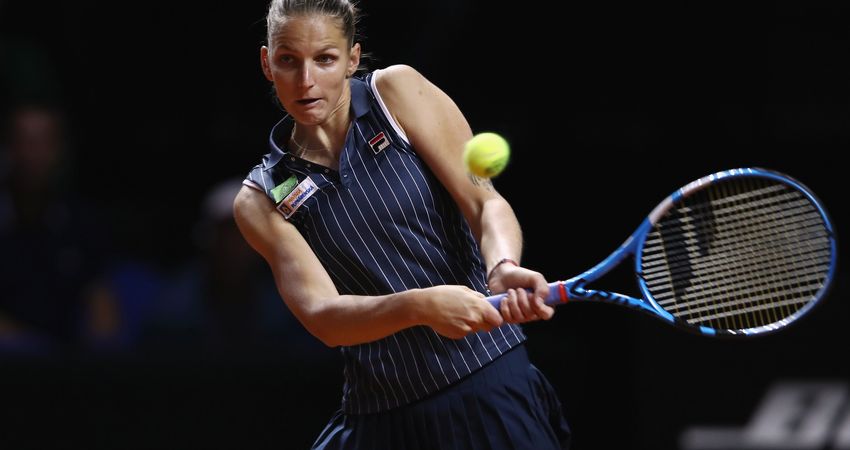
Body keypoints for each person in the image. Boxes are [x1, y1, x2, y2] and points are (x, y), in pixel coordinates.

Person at [233, 1, 571, 448]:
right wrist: (421, 306)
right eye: (288, 61)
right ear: (266, 62)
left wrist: (502, 266)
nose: (306, 80)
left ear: (352, 58)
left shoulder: (396, 94)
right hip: (378, 417)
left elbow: (485, 203)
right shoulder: (262, 197)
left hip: (485, 385)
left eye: (325, 59)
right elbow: (324, 317)